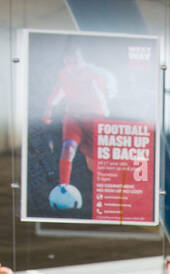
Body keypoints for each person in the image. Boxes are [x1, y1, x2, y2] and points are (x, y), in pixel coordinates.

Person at [41, 39, 117, 206]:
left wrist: (108, 94)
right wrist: (49, 108)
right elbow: (58, 91)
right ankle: (64, 188)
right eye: (69, 59)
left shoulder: (93, 73)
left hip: (93, 119)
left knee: (93, 164)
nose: (73, 62)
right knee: (68, 148)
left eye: (76, 58)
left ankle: (104, 193)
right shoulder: (63, 74)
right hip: (73, 118)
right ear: (65, 60)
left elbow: (108, 91)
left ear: (81, 58)